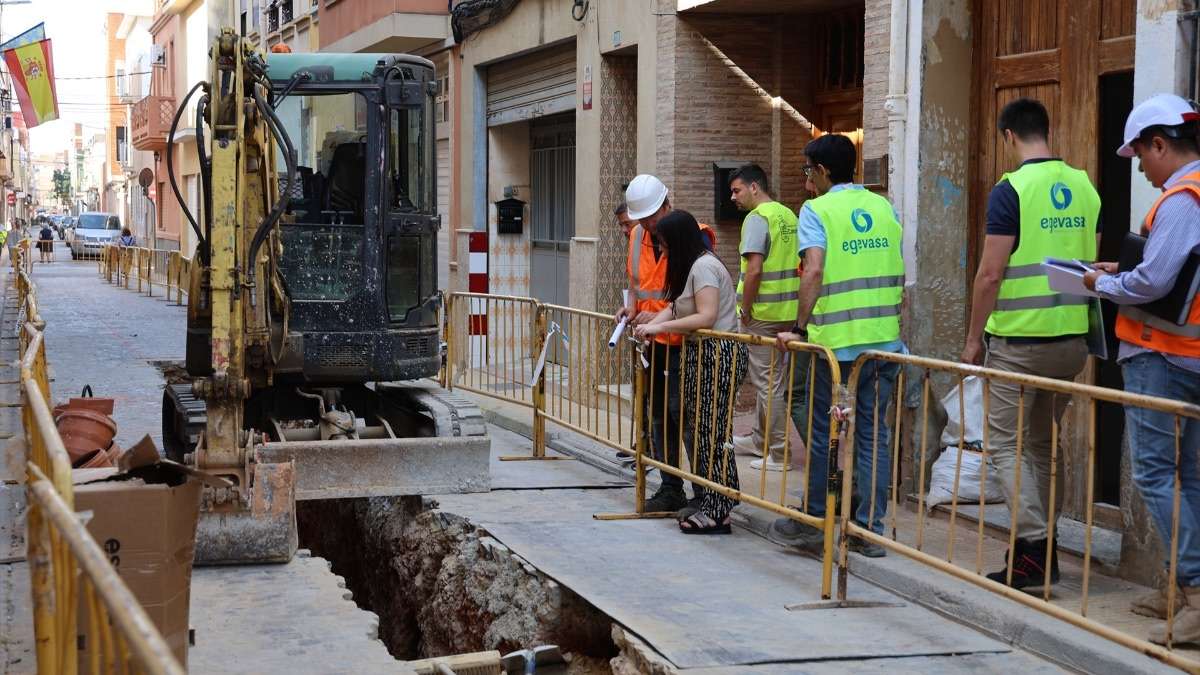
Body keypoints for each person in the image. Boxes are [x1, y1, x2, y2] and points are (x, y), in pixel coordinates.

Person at [960, 98, 1100, 589]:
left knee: (1005, 446)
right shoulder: (1084, 185)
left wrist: (973, 340)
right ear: (1046, 130)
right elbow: (1090, 259)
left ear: (1008, 136)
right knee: (1041, 445)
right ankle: (1044, 552)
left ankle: (1033, 551)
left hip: (1020, 342)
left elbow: (990, 274)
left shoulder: (1011, 190)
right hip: (1071, 341)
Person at [1084, 93, 1200, 643]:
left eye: (1141, 157)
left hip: (1162, 354)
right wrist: (1123, 267)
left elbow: (1153, 283)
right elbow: (1173, 272)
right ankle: (1178, 587)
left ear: (1160, 144)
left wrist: (1101, 282)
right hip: (1187, 355)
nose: (1142, 171)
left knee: (1155, 474)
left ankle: (1195, 592)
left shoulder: (1182, 198)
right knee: (1189, 477)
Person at [766, 134, 905, 558]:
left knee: (824, 433)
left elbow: (813, 270)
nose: (808, 179)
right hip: (883, 343)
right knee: (872, 436)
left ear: (823, 171)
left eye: (809, 170)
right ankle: (868, 530)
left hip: (836, 348)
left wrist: (799, 328)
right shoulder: (883, 206)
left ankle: (816, 519)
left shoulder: (817, 210)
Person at [633, 210, 746, 533]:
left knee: (711, 432)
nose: (662, 251)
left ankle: (718, 509)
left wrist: (660, 327)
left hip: (717, 355)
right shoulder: (692, 268)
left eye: (665, 244)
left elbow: (706, 316)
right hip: (702, 355)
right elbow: (676, 306)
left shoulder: (704, 267)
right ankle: (716, 502)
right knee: (703, 430)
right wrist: (650, 326)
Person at [617, 175, 717, 513]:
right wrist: (632, 308)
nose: (647, 225)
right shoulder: (637, 236)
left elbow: (692, 295)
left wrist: (657, 318)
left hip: (685, 342)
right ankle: (670, 487)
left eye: (651, 217)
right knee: (659, 414)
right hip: (654, 341)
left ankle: (703, 492)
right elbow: (637, 282)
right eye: (642, 219)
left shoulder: (694, 235)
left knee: (685, 415)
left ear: (666, 205)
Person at [726, 164, 801, 473]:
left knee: (769, 385)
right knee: (772, 382)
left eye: (737, 190)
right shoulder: (788, 215)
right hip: (788, 312)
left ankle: (780, 454)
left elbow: (754, 269)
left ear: (754, 187)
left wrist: (745, 308)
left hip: (763, 314)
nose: (733, 197)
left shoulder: (757, 218)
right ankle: (760, 440)